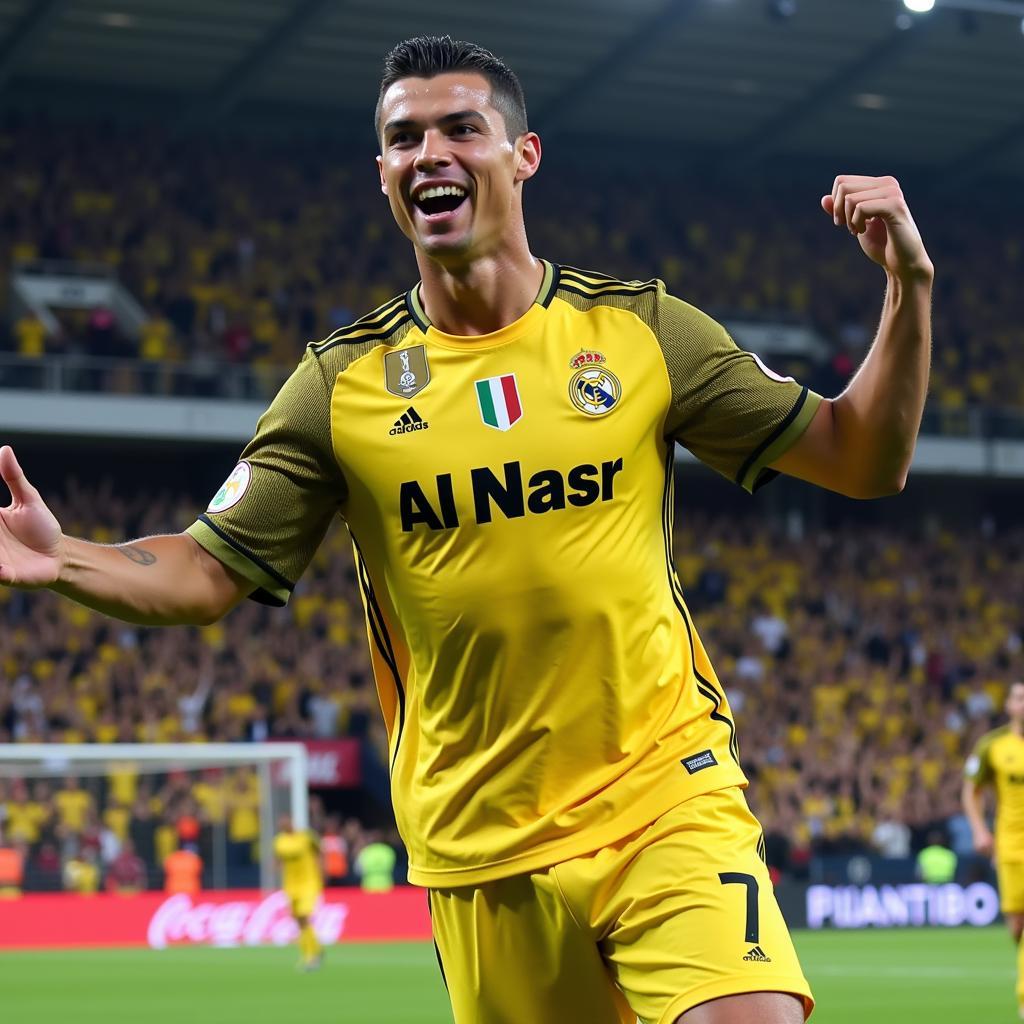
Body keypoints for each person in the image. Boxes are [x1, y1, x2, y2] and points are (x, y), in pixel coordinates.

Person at [0, 34, 934, 1024]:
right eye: (403, 138)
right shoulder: (339, 384)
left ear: (522, 155)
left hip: (663, 795)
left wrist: (906, 289)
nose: (428, 152)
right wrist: (63, 558)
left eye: (460, 128)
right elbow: (205, 568)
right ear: (383, 175)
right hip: (479, 844)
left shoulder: (643, 331)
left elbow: (862, 459)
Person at [963, 681, 1024, 1016]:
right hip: (1012, 847)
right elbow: (970, 790)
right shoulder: (993, 745)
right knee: (1017, 925)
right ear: (1009, 705)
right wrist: (979, 830)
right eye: (1019, 697)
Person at [272, 814, 324, 970]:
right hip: (291, 885)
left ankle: (311, 956)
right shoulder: (279, 841)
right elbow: (278, 860)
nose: (283, 826)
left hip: (309, 882)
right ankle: (315, 949)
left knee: (304, 916)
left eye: (285, 822)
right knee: (299, 921)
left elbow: (319, 851)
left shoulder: (306, 837)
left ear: (291, 822)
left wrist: (323, 871)